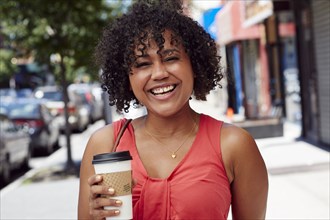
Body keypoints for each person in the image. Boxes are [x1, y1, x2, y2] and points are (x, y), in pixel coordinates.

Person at [78, 0, 268, 219]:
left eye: (171, 58)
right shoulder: (106, 145)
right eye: (142, 64)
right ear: (127, 77)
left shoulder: (234, 145)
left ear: (194, 65)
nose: (159, 73)